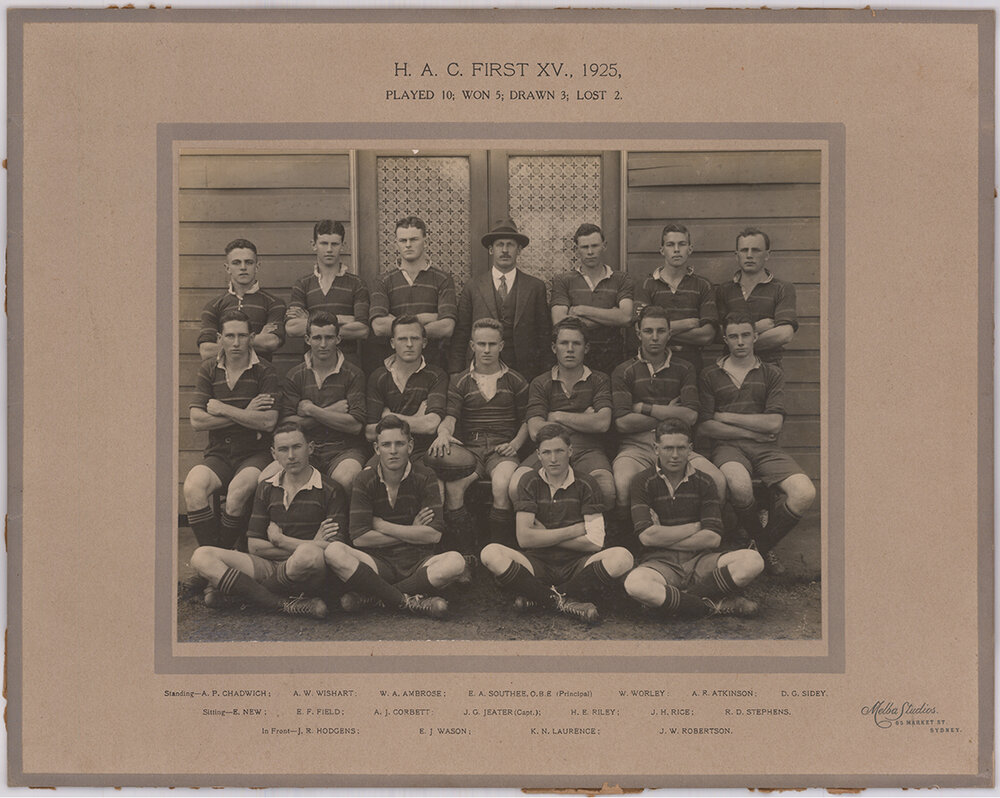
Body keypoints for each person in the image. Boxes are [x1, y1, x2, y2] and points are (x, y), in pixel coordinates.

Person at [184, 421, 345, 619]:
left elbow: (333, 548)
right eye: (283, 450)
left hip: (304, 569)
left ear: (310, 448)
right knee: (201, 556)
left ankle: (247, 594)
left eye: (297, 447)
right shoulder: (266, 488)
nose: (291, 455)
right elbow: (255, 546)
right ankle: (282, 604)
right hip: (266, 565)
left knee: (308, 555)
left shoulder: (331, 489)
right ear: (274, 454)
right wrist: (313, 542)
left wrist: (281, 541)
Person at [480, 423, 634, 625]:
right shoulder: (528, 481)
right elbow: (524, 539)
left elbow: (595, 543)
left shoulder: (587, 483)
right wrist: (573, 531)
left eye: (559, 451)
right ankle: (561, 601)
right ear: (538, 454)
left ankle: (541, 598)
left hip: (577, 566)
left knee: (623, 557)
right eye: (547, 452)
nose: (553, 459)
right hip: (538, 564)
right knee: (490, 553)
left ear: (570, 451)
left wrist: (545, 536)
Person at [698, 312, 816, 574]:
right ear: (725, 340)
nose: (740, 342)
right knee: (739, 485)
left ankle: (758, 548)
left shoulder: (771, 373)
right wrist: (752, 430)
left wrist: (725, 416)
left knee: (804, 492)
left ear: (755, 337)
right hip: (728, 449)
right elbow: (706, 426)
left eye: (745, 335)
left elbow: (774, 424)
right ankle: (764, 549)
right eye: (733, 336)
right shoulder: (710, 375)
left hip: (767, 448)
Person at [323, 416, 466, 617]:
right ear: (376, 449)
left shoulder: (426, 476)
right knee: (333, 551)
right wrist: (413, 529)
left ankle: (376, 596)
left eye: (399, 444)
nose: (392, 450)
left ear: (410, 446)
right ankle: (407, 600)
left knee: (456, 561)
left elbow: (433, 535)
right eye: (386, 444)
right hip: (378, 563)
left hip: (419, 561)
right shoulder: (364, 479)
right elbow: (360, 538)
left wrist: (382, 525)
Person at [610, 305, 727, 548]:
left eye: (661, 331)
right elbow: (622, 422)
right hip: (636, 447)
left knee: (716, 479)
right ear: (637, 332)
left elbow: (691, 416)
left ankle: (700, 545)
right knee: (622, 484)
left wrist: (644, 408)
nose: (654, 337)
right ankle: (631, 547)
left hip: (678, 447)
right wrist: (670, 411)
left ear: (670, 333)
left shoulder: (684, 368)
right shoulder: (623, 371)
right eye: (648, 331)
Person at [623, 419, 762, 619]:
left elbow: (713, 538)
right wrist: (696, 527)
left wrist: (662, 533)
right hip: (661, 564)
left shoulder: (705, 481)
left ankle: (682, 602)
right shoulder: (642, 482)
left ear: (690, 449)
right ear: (656, 448)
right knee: (635, 584)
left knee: (753, 560)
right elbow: (647, 538)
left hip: (701, 561)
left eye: (681, 448)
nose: (674, 455)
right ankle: (712, 605)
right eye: (668, 448)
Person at [428, 318, 530, 555]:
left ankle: (499, 555)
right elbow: (450, 417)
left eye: (492, 344)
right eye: (481, 344)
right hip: (470, 450)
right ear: (472, 345)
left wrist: (515, 444)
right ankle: (467, 556)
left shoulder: (515, 380)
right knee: (453, 488)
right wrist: (443, 433)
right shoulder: (460, 381)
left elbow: (528, 419)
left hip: (501, 449)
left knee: (502, 484)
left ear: (501, 346)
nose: (486, 350)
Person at [183, 309, 279, 550]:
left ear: (251, 337)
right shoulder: (208, 369)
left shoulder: (265, 371)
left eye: (242, 336)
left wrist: (223, 409)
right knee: (193, 487)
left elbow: (268, 422)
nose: (236, 343)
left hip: (255, 453)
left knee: (237, 493)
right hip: (219, 453)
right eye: (230, 336)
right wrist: (247, 412)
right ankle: (213, 560)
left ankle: (219, 561)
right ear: (219, 338)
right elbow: (197, 421)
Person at [508, 317, 615, 512]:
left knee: (605, 489)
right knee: (516, 485)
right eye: (564, 343)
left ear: (587, 348)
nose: (570, 349)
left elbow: (602, 423)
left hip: (587, 450)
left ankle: (592, 538)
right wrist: (583, 418)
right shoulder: (541, 383)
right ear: (553, 347)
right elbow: (534, 430)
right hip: (549, 450)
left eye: (576, 343)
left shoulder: (599, 380)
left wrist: (555, 415)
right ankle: (540, 535)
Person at [448, 218, 550, 380]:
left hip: (525, 371)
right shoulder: (473, 286)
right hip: (482, 370)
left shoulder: (535, 287)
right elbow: (462, 333)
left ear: (519, 250)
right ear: (490, 250)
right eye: (499, 245)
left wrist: (545, 375)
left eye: (510, 244)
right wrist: (455, 372)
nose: (505, 250)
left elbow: (544, 335)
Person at [278, 312, 367, 495]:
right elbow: (287, 425)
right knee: (269, 479)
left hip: (345, 449)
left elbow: (355, 425)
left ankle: (340, 523)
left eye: (329, 337)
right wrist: (331, 412)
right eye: (317, 338)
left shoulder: (353, 374)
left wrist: (311, 410)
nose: (323, 344)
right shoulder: (295, 375)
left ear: (338, 339)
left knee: (347, 478)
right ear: (307, 339)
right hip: (304, 450)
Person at [370, 216, 457, 369]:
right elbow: (378, 326)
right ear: (396, 243)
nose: (408, 245)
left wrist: (399, 324)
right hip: (394, 366)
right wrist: (426, 318)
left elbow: (447, 327)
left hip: (434, 363)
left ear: (425, 240)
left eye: (414, 239)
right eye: (403, 241)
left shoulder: (443, 279)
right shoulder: (383, 281)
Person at [549, 223, 634, 375]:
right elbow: (560, 323)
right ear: (576, 250)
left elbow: (626, 317)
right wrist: (611, 315)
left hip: (612, 359)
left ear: (604, 246)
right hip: (576, 360)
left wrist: (581, 310)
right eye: (584, 247)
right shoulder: (563, 280)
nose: (590, 252)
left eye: (595, 246)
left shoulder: (621, 279)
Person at [365, 315, 449, 465]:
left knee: (430, 483)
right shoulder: (378, 376)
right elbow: (370, 432)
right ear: (392, 343)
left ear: (424, 342)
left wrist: (389, 417)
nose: (409, 344)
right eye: (402, 339)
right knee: (365, 478)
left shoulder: (437, 375)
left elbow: (431, 425)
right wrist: (417, 419)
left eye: (415, 339)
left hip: (423, 452)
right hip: (387, 452)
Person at [284, 219, 370, 365]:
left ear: (343, 246)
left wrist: (311, 319)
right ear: (314, 245)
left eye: (334, 244)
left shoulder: (357, 284)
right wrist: (344, 319)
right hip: (310, 365)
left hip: (348, 365)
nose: (329, 249)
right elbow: (292, 328)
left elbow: (362, 330)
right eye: (324, 243)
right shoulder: (303, 284)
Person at [634, 223, 718, 371]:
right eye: (670, 245)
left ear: (690, 249)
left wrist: (659, 332)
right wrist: (689, 323)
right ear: (662, 250)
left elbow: (707, 336)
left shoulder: (704, 286)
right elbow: (640, 332)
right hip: (654, 365)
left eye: (682, 244)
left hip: (692, 365)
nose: (677, 250)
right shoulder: (646, 285)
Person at [715, 228, 798, 366]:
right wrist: (757, 327)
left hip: (769, 367)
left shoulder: (782, 288)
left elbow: (784, 334)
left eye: (756, 250)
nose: (749, 255)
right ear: (736, 255)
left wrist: (737, 342)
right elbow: (717, 335)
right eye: (744, 250)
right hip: (731, 369)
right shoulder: (724, 290)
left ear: (767, 254)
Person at [197, 238, 285, 361]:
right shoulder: (213, 306)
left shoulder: (274, 303)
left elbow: (271, 342)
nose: (243, 267)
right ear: (227, 268)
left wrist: (225, 342)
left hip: (259, 376)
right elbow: (206, 350)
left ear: (257, 266)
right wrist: (256, 338)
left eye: (249, 262)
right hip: (222, 377)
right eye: (236, 263)